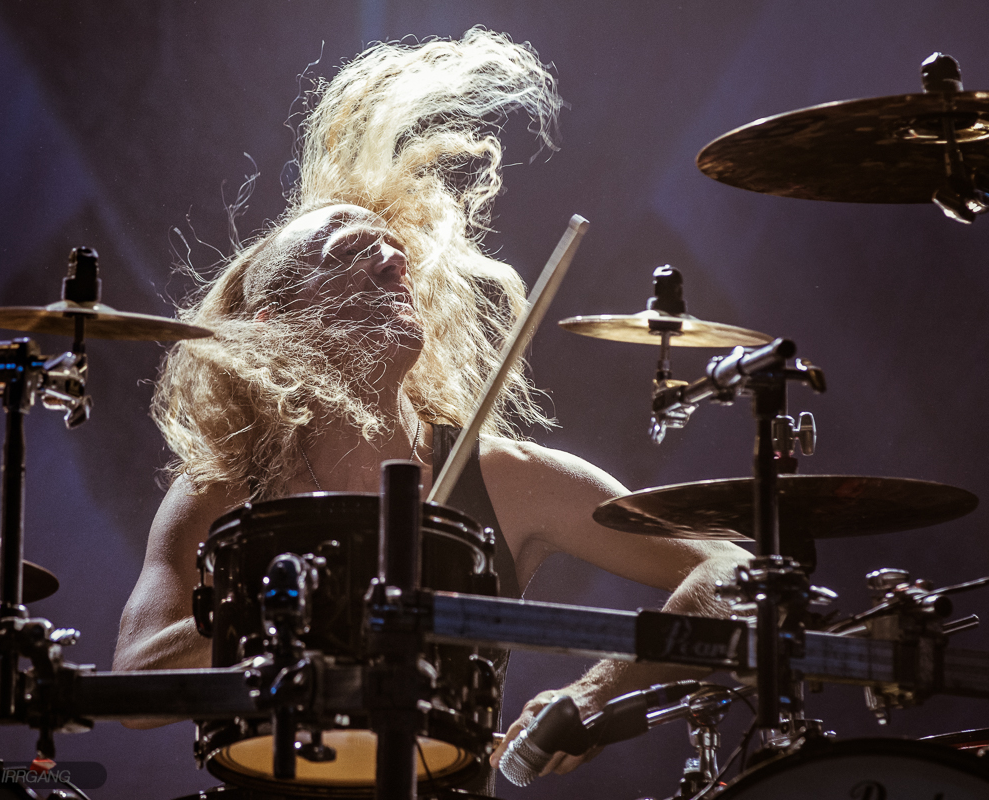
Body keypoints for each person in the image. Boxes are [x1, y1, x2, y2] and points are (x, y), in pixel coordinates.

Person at [113, 28, 749, 781]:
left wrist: (595, 691)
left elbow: (732, 567)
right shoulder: (223, 488)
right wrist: (311, 596)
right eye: (349, 252)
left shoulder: (505, 478)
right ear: (277, 325)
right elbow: (134, 686)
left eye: (394, 252)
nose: (392, 260)